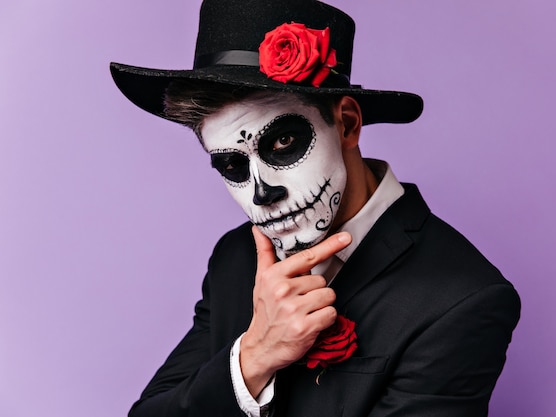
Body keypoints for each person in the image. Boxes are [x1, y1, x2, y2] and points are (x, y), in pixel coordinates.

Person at [110, 0, 521, 416]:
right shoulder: (236, 257)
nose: (261, 193)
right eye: (232, 164)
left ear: (346, 124)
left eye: (284, 142)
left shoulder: (463, 298)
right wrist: (252, 359)